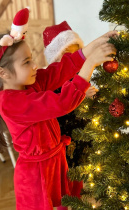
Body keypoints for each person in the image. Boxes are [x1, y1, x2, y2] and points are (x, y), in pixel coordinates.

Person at [0, 7, 117, 210]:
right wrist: (90, 64)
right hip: (37, 176)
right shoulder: (11, 102)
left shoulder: (28, 83)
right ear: (3, 73)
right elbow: (62, 103)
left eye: (31, 58)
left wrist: (95, 44)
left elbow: (58, 70)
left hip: (54, 165)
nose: (34, 65)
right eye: (26, 62)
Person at [43, 21, 98, 201]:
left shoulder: (80, 74)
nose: (73, 58)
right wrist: (81, 93)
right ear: (57, 57)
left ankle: (77, 198)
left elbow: (84, 95)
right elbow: (60, 102)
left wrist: (89, 95)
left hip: (80, 133)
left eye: (76, 53)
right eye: (68, 55)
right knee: (64, 175)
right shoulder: (52, 81)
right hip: (63, 137)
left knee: (79, 170)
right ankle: (64, 201)